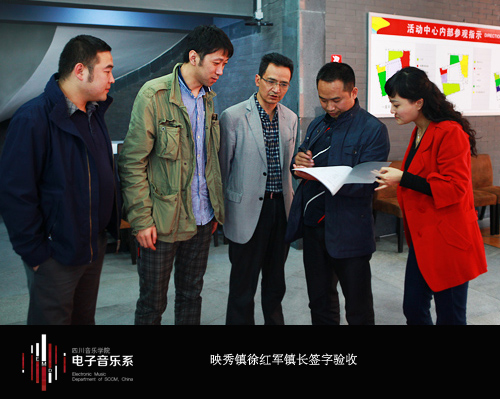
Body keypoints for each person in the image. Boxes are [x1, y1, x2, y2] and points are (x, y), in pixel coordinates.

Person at [0, 35, 120, 325]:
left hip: (92, 245)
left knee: (83, 320)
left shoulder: (94, 113)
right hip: (56, 255)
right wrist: (36, 254)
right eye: (107, 70)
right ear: (80, 71)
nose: (112, 79)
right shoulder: (32, 118)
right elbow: (15, 194)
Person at [118, 25, 233, 325]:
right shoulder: (153, 95)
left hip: (202, 217)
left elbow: (207, 160)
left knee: (191, 295)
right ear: (194, 57)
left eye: (224, 64)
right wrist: (141, 219)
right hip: (161, 221)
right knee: (152, 303)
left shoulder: (208, 98)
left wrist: (213, 208)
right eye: (216, 63)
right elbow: (132, 162)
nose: (220, 71)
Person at [375, 66, 487, 325]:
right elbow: (421, 178)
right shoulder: (419, 130)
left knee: (450, 317)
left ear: (418, 102)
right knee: (413, 308)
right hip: (424, 237)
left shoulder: (450, 132)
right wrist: (396, 179)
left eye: (396, 104)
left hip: (448, 240)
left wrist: (402, 177)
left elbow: (455, 188)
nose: (392, 111)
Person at [285, 62, 390, 325]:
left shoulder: (373, 130)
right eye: (323, 100)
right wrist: (298, 163)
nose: (329, 107)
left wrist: (326, 177)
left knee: (358, 307)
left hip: (350, 230)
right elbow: (300, 163)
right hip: (314, 228)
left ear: (353, 92)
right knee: (319, 302)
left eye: (336, 100)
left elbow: (367, 182)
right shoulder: (317, 125)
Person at [219, 53, 298, 325]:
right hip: (246, 211)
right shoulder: (233, 117)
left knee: (275, 284)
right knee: (243, 287)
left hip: (281, 209)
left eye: (284, 84)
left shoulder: (291, 118)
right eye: (271, 81)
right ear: (258, 79)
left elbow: (289, 166)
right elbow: (222, 170)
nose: (277, 89)